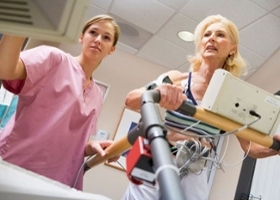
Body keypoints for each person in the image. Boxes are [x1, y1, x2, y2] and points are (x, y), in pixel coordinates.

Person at [121, 14, 280, 200]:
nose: (211, 38)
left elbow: (249, 147)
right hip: (156, 156)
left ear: (232, 49)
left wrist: (274, 148)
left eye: (220, 35)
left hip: (194, 167)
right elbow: (131, 100)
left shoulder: (232, 97)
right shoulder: (176, 79)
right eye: (207, 35)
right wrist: (160, 91)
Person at [0, 14, 121, 191]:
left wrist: (93, 147)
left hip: (58, 181)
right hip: (17, 167)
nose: (98, 40)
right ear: (81, 37)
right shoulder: (53, 59)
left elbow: (73, 143)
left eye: (106, 37)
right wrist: (21, 20)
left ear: (112, 49)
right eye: (93, 32)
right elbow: (5, 69)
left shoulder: (97, 95)